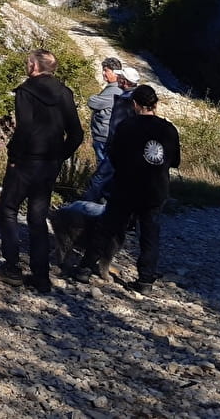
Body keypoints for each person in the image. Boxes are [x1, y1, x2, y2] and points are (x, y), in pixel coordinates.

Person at [0, 49, 83, 293]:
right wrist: (60, 156)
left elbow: (24, 129)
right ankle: (41, 276)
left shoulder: (26, 92)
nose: (26, 65)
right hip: (49, 164)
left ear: (34, 66)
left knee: (7, 209)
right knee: (37, 218)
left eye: (28, 62)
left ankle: (12, 267)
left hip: (26, 161)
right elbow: (77, 133)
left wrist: (15, 157)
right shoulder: (64, 93)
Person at [73, 85, 180, 295]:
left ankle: (85, 268)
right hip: (156, 190)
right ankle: (146, 280)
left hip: (127, 187)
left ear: (134, 105)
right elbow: (175, 161)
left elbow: (113, 156)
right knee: (149, 234)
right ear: (156, 105)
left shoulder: (126, 126)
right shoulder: (169, 129)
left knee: (107, 228)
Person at [82, 64, 139, 203]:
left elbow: (119, 124)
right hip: (124, 146)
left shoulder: (126, 99)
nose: (117, 78)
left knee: (101, 177)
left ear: (124, 81)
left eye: (120, 77)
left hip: (116, 146)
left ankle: (88, 209)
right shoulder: (136, 97)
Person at [81, 58, 124, 203]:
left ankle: (96, 201)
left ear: (115, 72)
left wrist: (94, 97)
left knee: (103, 171)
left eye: (106, 70)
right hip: (105, 136)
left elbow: (93, 102)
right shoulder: (115, 88)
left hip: (104, 137)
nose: (103, 73)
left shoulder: (114, 90)